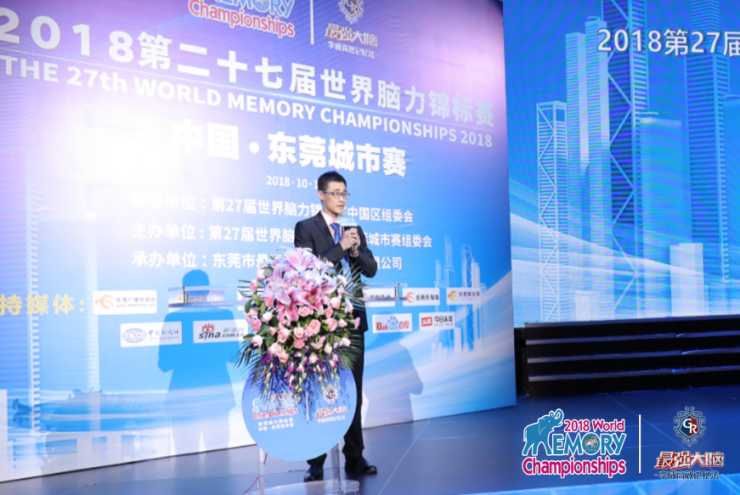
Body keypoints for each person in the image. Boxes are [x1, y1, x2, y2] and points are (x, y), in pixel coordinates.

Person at [294, 170, 378, 481]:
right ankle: (316, 460)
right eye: (336, 193)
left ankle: (355, 457)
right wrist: (341, 246)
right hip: (321, 325)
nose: (341, 199)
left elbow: (371, 269)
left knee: (352, 390)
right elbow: (309, 270)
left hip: (352, 321)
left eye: (345, 193)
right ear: (321, 195)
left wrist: (354, 250)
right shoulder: (306, 228)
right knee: (320, 391)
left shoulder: (355, 230)